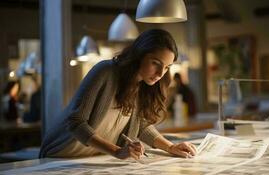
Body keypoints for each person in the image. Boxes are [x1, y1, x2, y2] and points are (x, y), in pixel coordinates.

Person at [39, 29, 197, 160]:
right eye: (155, 63)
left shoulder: (144, 85)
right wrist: (116, 151)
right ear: (139, 55)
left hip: (91, 159)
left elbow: (142, 126)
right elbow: (75, 122)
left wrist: (170, 147)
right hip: (60, 156)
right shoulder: (105, 71)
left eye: (167, 67)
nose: (160, 73)